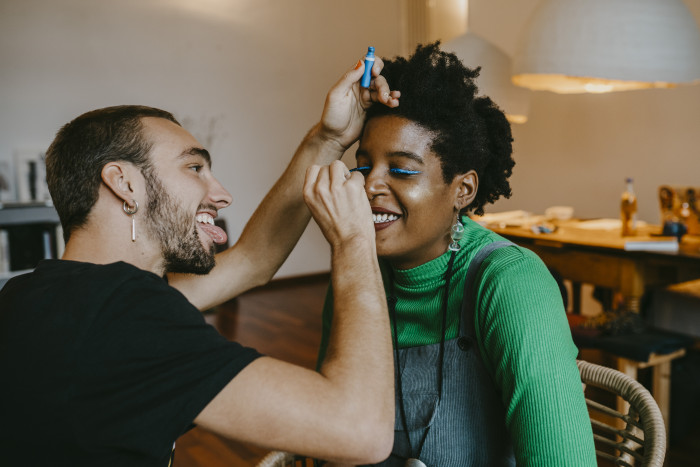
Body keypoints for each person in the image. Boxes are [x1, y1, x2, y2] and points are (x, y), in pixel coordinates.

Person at [0, 55, 401, 466]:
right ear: (124, 183)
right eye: (195, 167)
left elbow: (252, 260)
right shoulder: (121, 316)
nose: (222, 195)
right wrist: (354, 240)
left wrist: (328, 138)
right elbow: (360, 430)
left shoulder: (39, 295)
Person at [316, 42, 597, 466]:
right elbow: (328, 435)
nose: (368, 185)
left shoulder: (510, 283)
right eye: (364, 164)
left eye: (402, 169)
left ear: (462, 190)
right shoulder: (357, 271)